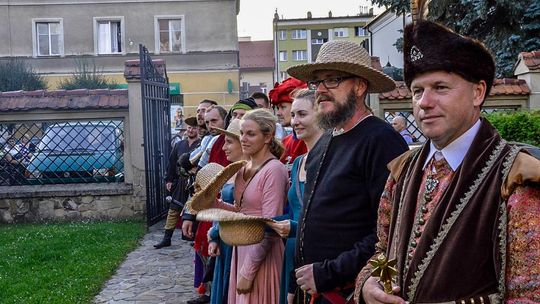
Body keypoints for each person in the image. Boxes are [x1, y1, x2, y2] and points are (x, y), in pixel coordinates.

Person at [355, 20, 540, 304]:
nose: (424, 102)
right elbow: (384, 251)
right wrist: (372, 286)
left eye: (440, 87)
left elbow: (530, 295)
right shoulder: (402, 170)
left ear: (478, 93)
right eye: (417, 91)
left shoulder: (515, 176)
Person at [286, 40, 409, 303]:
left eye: (332, 80)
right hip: (310, 290)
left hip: (350, 292)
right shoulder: (326, 138)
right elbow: (308, 217)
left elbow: (393, 231)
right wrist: (293, 281)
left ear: (360, 86)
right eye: (317, 82)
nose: (320, 90)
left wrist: (328, 273)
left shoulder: (381, 140)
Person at [267, 89, 324, 304]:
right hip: (292, 248)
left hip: (316, 253)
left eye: (302, 114)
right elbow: (293, 209)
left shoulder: (331, 157)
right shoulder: (298, 162)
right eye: (293, 115)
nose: (295, 121)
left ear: (320, 114)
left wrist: (293, 227)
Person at [228, 108, 289, 303]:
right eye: (242, 133)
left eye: (251, 134)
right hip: (241, 249)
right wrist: (213, 203)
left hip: (262, 255)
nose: (243, 139)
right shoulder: (243, 167)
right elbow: (240, 212)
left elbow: (270, 226)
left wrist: (248, 271)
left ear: (268, 136)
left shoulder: (274, 170)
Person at [206, 119, 246, 304]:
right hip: (225, 241)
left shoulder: (248, 172)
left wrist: (215, 232)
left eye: (229, 142)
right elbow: (221, 206)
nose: (224, 148)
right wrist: (214, 236)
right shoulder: (232, 170)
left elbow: (238, 211)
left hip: (237, 242)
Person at [154, 116, 200, 249]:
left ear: (198, 129)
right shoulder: (179, 145)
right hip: (180, 182)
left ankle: (194, 237)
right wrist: (169, 179)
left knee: (195, 209)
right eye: (189, 128)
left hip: (195, 182)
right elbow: (172, 162)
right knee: (174, 209)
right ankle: (167, 238)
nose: (191, 130)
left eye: (194, 128)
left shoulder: (202, 144)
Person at [269, 77, 309, 169]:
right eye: (277, 108)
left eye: (283, 107)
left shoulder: (310, 139)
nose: (278, 113)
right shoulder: (285, 141)